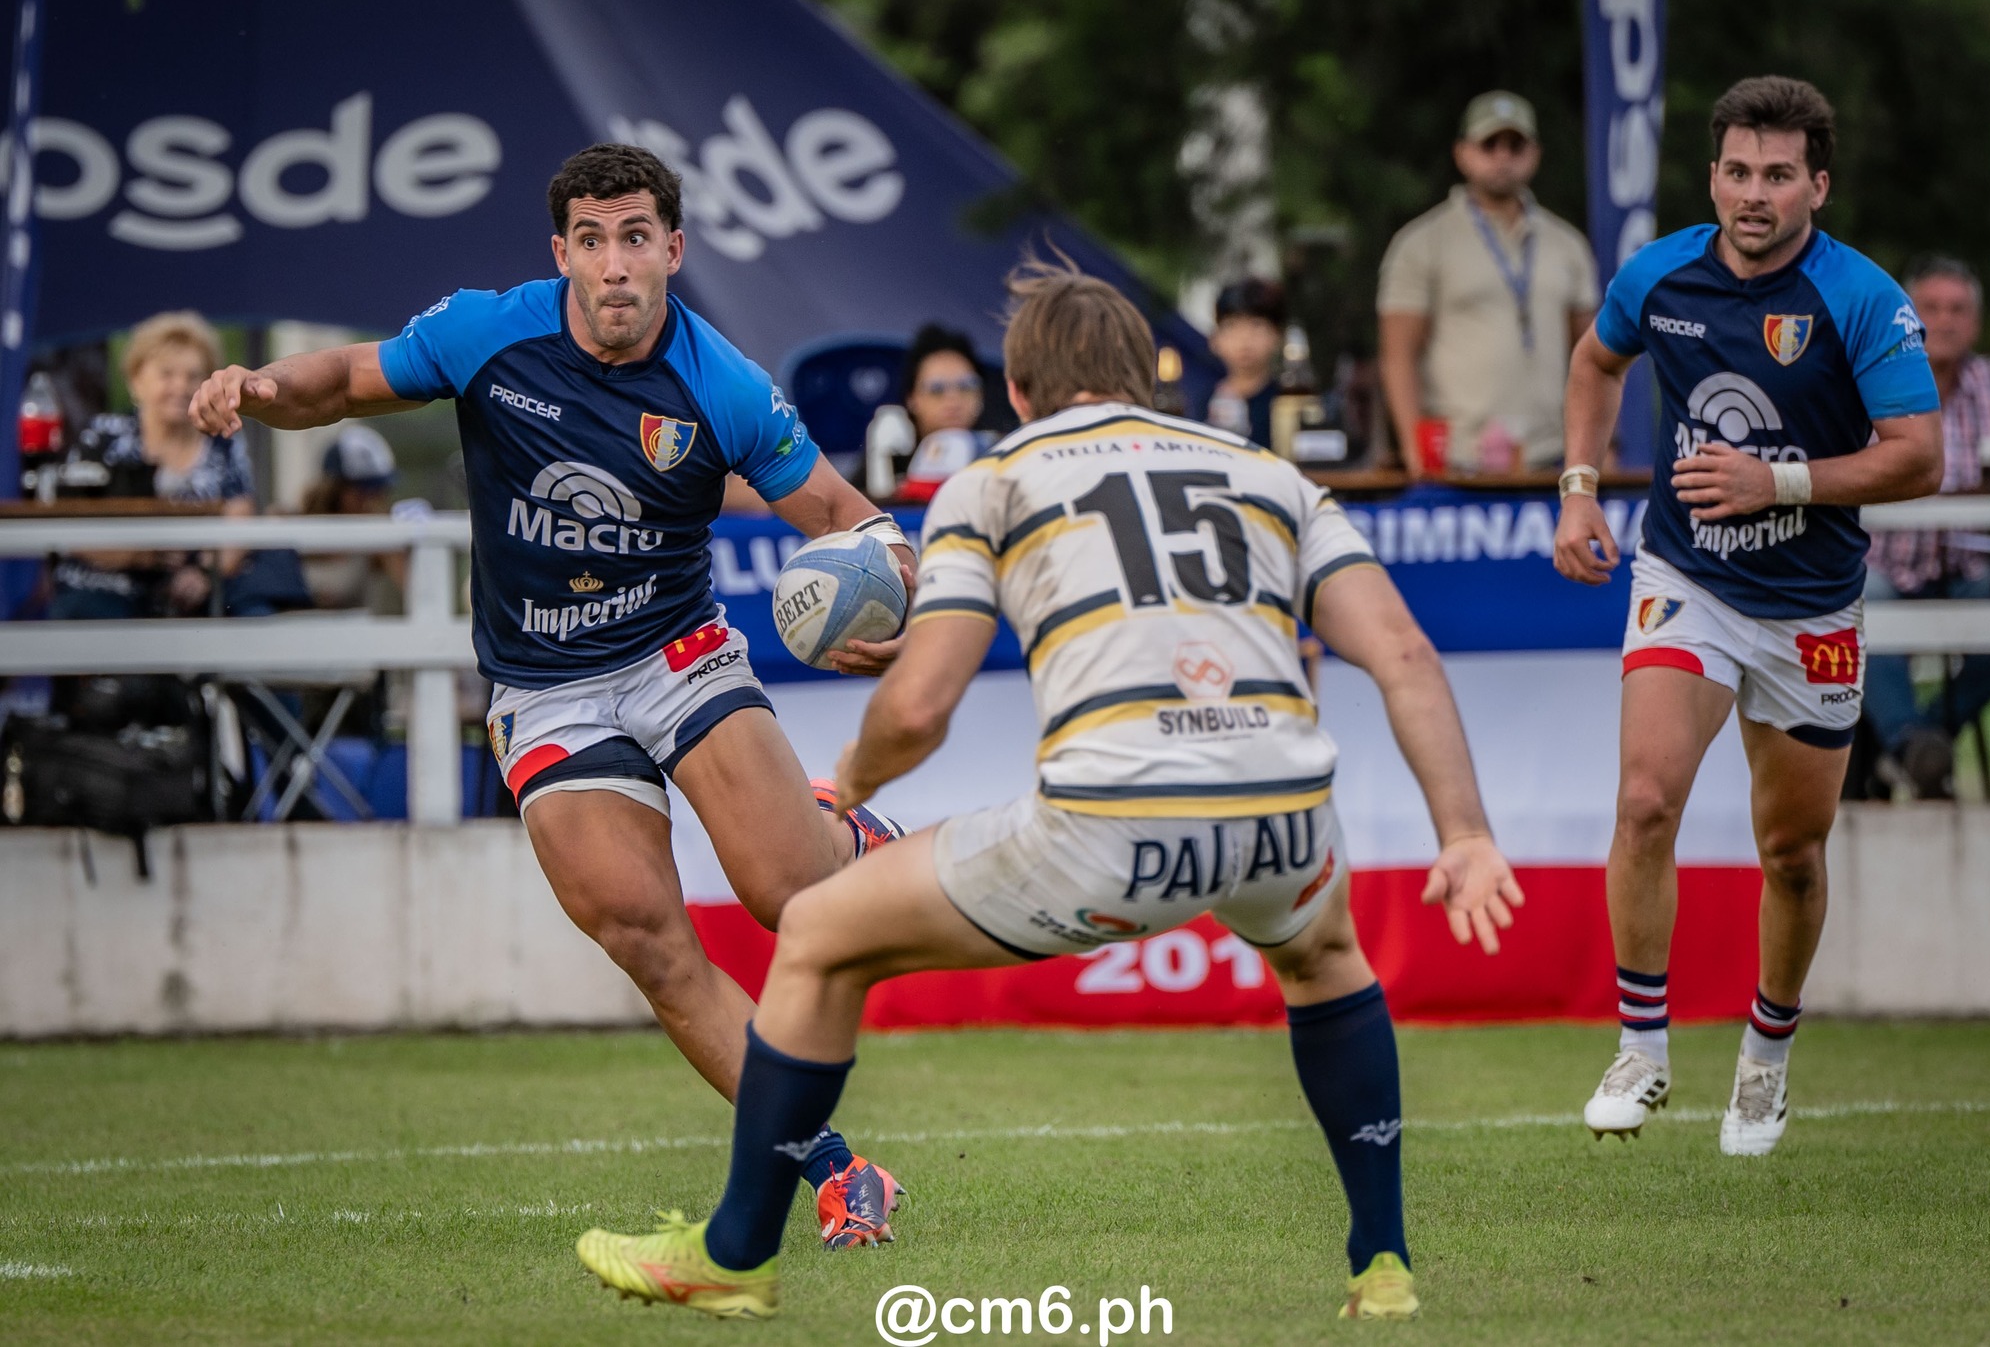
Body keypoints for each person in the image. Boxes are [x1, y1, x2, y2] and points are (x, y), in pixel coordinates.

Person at [573, 259, 1525, 1323]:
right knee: (1324, 957)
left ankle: (734, 1252)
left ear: (1018, 390)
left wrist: (848, 784)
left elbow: (923, 704)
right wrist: (1466, 831)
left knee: (815, 933)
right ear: (1147, 381)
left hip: (1113, 822)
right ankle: (1381, 1261)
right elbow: (1400, 652)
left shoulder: (1001, 473)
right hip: (1281, 813)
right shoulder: (1262, 469)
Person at [187, 143, 915, 1246]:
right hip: (544, 689)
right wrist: (258, 389)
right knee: (646, 937)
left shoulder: (719, 382)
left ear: (673, 249)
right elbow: (338, 382)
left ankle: (834, 834)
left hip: (678, 655)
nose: (615, 265)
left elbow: (840, 514)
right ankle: (837, 1168)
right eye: (592, 240)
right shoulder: (491, 332)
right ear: (561, 253)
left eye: (636, 239)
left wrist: (891, 583)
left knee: (792, 901)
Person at [1552, 76, 1941, 1156]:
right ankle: (1640, 1047)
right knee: (1641, 803)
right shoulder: (1660, 272)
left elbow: (1918, 456)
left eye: (1776, 174)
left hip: (1810, 605)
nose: (1752, 193)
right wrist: (1578, 483)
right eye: (1735, 171)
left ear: (1816, 182)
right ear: (1711, 175)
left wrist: (1782, 484)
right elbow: (1595, 358)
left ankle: (1764, 1058)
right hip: (1689, 582)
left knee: (1792, 853)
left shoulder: (1858, 297)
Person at [1862, 255, 1990, 797]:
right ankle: (1913, 747)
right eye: (1931, 308)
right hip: (1885, 563)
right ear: (1907, 316)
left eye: (1957, 310)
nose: (1943, 321)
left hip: (1971, 562)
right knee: (1851, 608)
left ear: (1976, 322)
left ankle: (1912, 749)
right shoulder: (1870, 377)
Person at [1378, 91, 1599, 477]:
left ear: (1535, 154)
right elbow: (1399, 356)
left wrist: (1599, 447)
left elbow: (1594, 354)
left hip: (1553, 458)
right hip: (1459, 461)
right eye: (1489, 144)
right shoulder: (1422, 242)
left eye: (1516, 145)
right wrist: (1416, 454)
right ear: (1462, 153)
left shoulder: (1568, 244)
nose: (1502, 156)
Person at [50, 311, 255, 619]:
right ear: (136, 380)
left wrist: (202, 574)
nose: (181, 386)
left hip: (196, 594)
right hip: (106, 589)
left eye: (193, 376)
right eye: (166, 374)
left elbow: (240, 518)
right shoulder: (105, 436)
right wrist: (137, 555)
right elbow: (68, 521)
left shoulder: (224, 441)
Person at [298, 425, 412, 614]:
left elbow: (417, 593)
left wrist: (388, 540)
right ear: (336, 490)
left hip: (355, 638)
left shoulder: (378, 538)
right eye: (364, 491)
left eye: (379, 491)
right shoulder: (293, 527)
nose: (374, 500)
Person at [889, 323, 995, 502]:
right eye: (937, 389)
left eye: (966, 386)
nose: (953, 400)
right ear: (912, 398)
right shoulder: (885, 460)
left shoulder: (1001, 452)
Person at [1203, 277, 1286, 448]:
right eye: (1232, 326)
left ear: (1278, 336)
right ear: (1215, 339)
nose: (1244, 339)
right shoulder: (1199, 404)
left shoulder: (1286, 405)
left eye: (1256, 325)